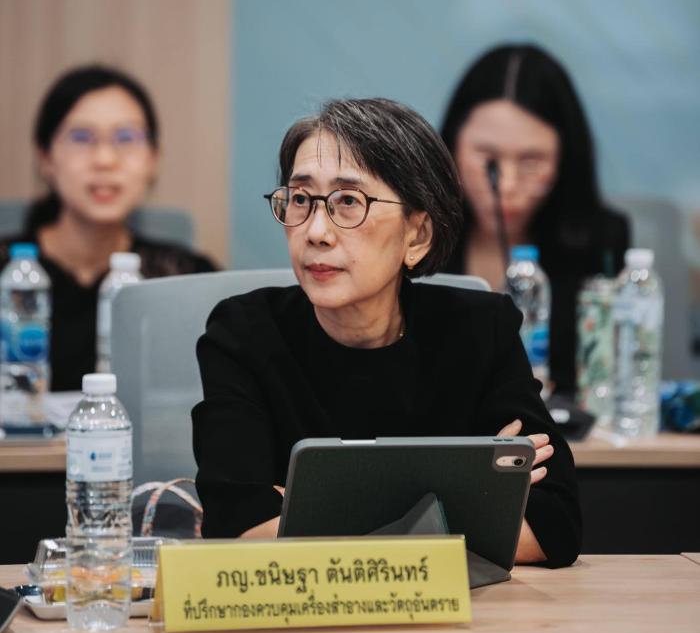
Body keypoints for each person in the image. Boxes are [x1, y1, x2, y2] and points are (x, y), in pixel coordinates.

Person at [193, 98, 581, 567]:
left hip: (452, 610)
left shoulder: (480, 331)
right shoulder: (244, 334)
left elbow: (554, 525)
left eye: (348, 202)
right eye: (300, 199)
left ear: (417, 236)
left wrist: (301, 508)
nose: (316, 231)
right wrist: (458, 508)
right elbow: (235, 530)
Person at [0, 64, 217, 390]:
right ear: (45, 158)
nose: (105, 159)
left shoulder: (187, 278)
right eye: (81, 138)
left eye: (126, 138)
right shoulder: (9, 271)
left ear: (154, 159)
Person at [440, 44, 630, 393]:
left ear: (564, 159)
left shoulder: (602, 237)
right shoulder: (415, 230)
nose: (508, 185)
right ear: (452, 145)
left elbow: (601, 374)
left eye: (532, 163)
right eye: (488, 159)